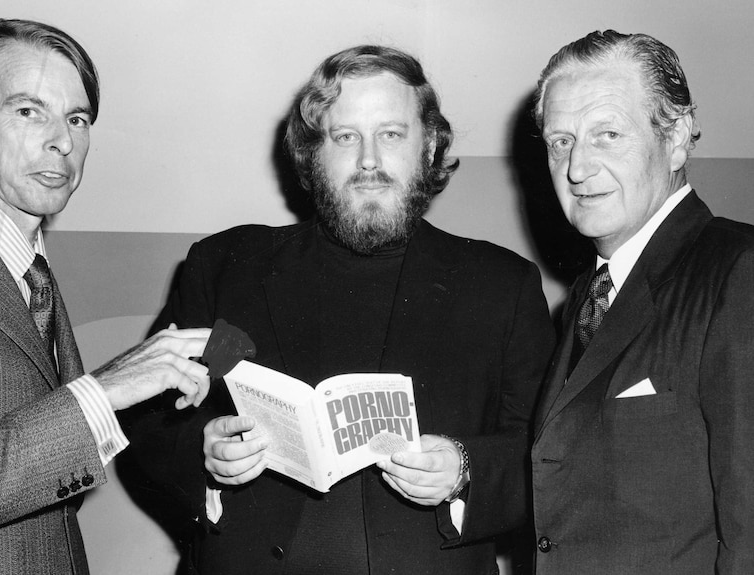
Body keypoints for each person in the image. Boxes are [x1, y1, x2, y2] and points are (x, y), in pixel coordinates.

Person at [125, 45, 554, 575]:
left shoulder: (502, 285)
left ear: (428, 148)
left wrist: (465, 471)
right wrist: (204, 454)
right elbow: (148, 416)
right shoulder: (224, 265)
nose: (369, 159)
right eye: (345, 136)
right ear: (311, 153)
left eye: (391, 135)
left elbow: (550, 456)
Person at [0, 19, 212, 574]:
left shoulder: (31, 267)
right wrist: (102, 391)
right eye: (28, 110)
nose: (63, 140)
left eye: (77, 118)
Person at [530, 30, 754, 574]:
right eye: (561, 141)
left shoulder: (737, 271)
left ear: (676, 137)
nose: (577, 168)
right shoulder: (587, 297)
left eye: (607, 134)